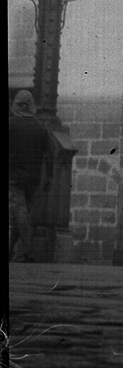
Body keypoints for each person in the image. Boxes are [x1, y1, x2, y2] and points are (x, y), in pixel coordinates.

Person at [9, 89, 53, 263]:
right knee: (23, 215)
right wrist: (49, 177)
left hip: (14, 177)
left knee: (18, 213)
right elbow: (49, 154)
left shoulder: (10, 124)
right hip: (34, 179)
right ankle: (10, 250)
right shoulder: (41, 127)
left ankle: (28, 251)